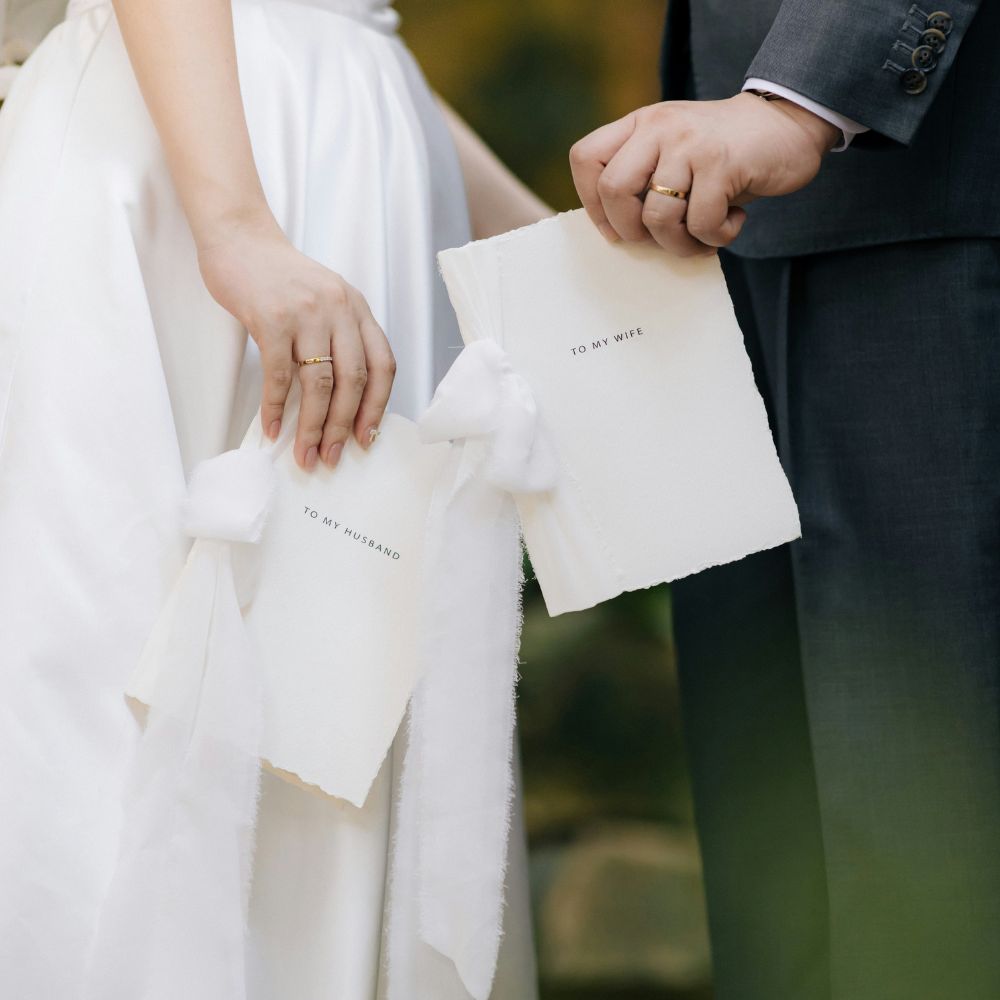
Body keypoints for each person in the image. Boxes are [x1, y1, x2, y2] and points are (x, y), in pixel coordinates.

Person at [0, 1, 548, 997]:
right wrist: (236, 225)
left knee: (329, 696)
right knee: (119, 663)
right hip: (199, 153)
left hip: (345, 134)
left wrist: (535, 239)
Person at [570, 3, 1000, 999]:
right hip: (729, 233)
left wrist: (800, 98)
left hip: (928, 189)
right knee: (773, 836)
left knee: (935, 817)